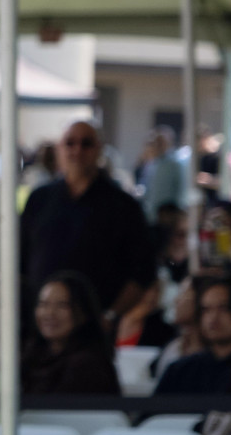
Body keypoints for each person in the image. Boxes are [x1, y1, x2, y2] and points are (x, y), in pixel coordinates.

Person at [19, 120, 156, 322]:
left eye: (86, 143)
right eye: (70, 143)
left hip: (95, 328)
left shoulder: (123, 205)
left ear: (99, 149)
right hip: (40, 323)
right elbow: (20, 260)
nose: (78, 150)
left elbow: (142, 272)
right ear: (59, 149)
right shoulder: (39, 199)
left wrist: (111, 317)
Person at [153, 271, 231, 396]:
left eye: (224, 308)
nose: (213, 318)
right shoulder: (181, 370)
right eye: (206, 310)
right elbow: (152, 414)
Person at [23, 271, 119, 395]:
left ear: (83, 312)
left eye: (62, 305)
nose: (50, 313)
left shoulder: (88, 366)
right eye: (43, 304)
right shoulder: (32, 356)